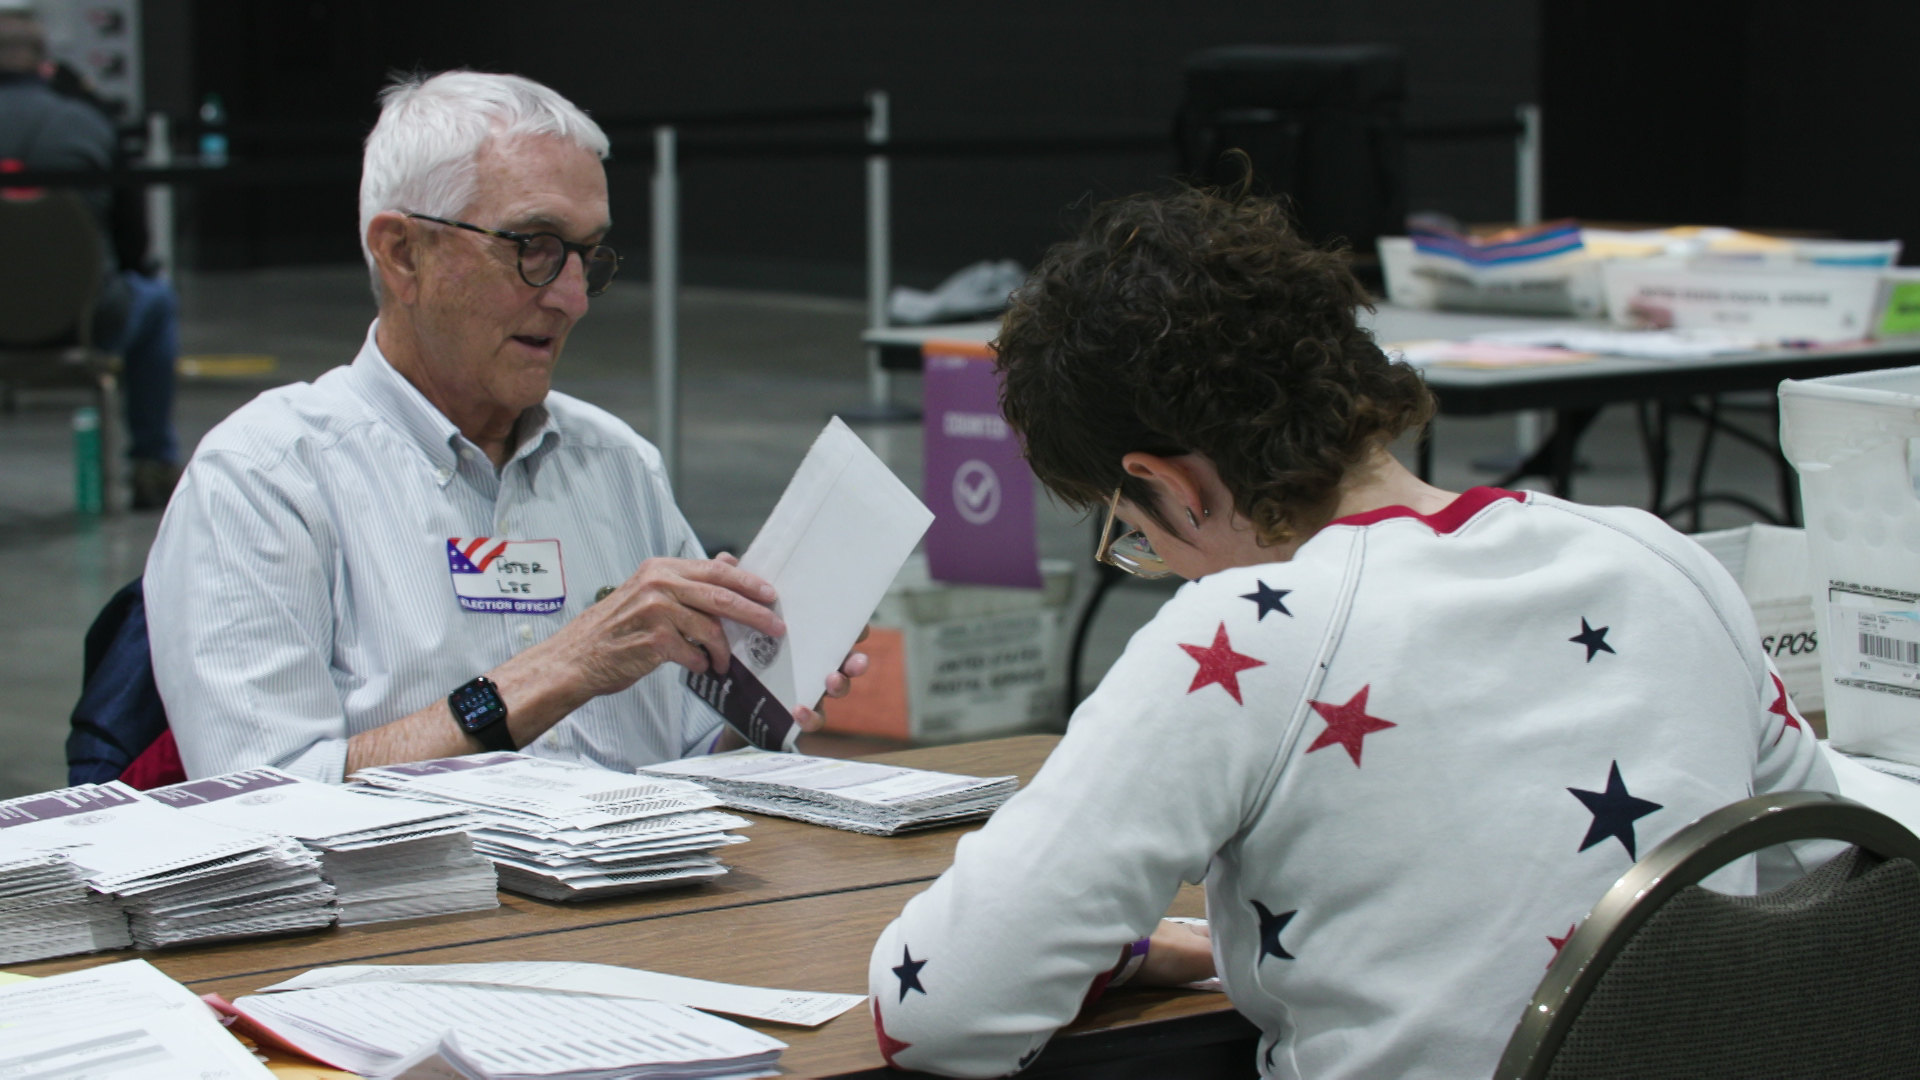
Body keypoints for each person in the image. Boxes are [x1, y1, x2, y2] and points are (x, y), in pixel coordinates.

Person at [865, 186, 1834, 1079]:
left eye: (1138, 534)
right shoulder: (1663, 560)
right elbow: (1837, 869)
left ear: (1173, 484)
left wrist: (1106, 947)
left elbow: (937, 1010)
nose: (1157, 558)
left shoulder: (1241, 636)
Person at [144, 71, 864, 782]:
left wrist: (766, 704)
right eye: (534, 247)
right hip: (420, 900)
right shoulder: (265, 478)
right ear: (403, 254)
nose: (573, 299)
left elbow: (689, 750)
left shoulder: (617, 464)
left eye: (588, 254)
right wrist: (560, 668)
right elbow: (261, 805)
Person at [0, 9, 181, 509]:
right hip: (82, 321)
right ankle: (150, 463)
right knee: (157, 301)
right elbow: (133, 247)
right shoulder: (87, 123)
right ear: (45, 65)